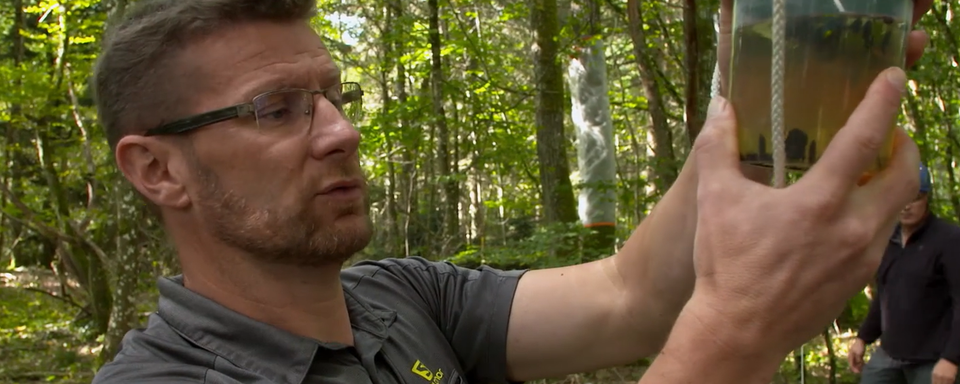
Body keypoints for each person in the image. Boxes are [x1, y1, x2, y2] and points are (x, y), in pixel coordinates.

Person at [90, 0, 933, 383]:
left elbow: (631, 297)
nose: (340, 130)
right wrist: (737, 334)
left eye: (333, 95)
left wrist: (758, 83)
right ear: (156, 170)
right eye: (279, 109)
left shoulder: (397, 296)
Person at [848, 163, 960, 384]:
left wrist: (951, 359)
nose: (906, 205)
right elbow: (885, 294)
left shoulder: (949, 239)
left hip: (933, 360)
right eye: (900, 197)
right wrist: (863, 338)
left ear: (926, 198)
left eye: (915, 196)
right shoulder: (889, 239)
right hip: (889, 355)